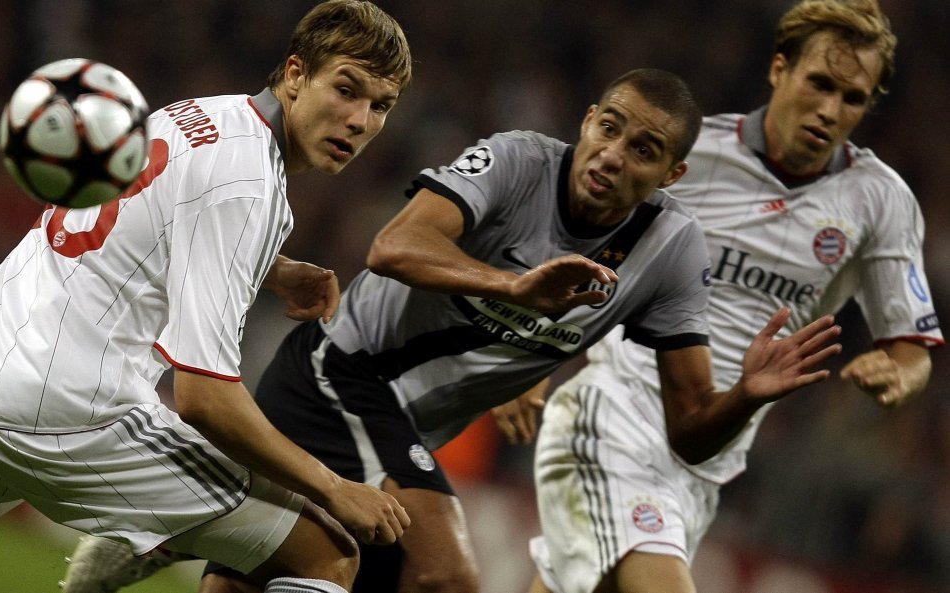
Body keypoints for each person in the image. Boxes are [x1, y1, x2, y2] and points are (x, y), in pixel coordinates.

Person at [62, 67, 845, 593]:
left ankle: (181, 524)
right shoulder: (517, 163)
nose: (612, 155)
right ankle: (185, 520)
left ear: (672, 175)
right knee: (447, 574)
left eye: (644, 150)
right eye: (608, 127)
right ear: (587, 119)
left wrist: (746, 394)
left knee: (276, 568)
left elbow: (693, 429)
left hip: (405, 420)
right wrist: (513, 287)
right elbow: (392, 246)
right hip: (342, 367)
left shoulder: (672, 251)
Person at [0, 2, 413, 593]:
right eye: (347, 89)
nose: (359, 119)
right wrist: (334, 487)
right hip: (69, 411)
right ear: (297, 73)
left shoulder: (204, 115)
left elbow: (147, 221)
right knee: (324, 553)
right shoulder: (248, 184)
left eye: (379, 106)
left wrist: (270, 270)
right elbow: (205, 399)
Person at [522, 2, 945, 593]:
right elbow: (575, 240)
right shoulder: (691, 157)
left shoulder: (881, 203)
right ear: (779, 70)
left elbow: (912, 348)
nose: (830, 108)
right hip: (617, 410)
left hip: (704, 458)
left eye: (852, 97)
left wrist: (900, 373)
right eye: (819, 83)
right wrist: (526, 361)